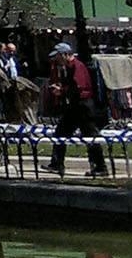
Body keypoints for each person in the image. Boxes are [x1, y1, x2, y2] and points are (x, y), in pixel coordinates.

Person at [47, 42, 110, 176]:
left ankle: (100, 167)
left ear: (65, 54)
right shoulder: (68, 67)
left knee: (91, 137)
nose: (56, 60)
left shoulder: (77, 67)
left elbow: (79, 87)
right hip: (75, 106)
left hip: (83, 107)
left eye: (58, 56)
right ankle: (56, 164)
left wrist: (62, 91)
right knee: (60, 132)